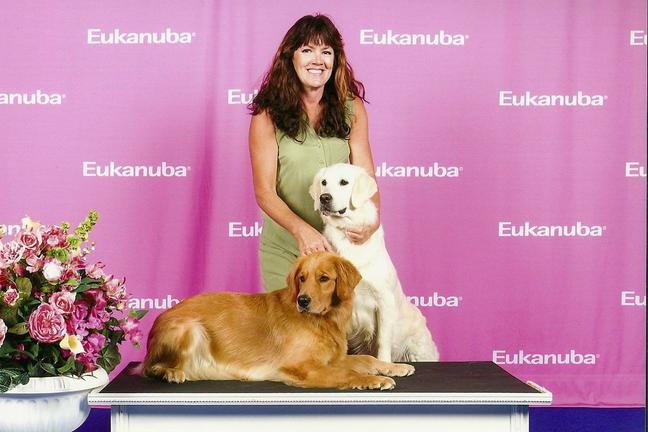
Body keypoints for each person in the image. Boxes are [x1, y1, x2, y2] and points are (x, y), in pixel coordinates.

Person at [249, 14, 380, 291]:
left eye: (326, 52)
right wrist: (301, 231)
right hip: (286, 249)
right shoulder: (267, 115)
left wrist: (372, 221)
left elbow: (366, 174)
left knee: (343, 321)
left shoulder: (352, 106)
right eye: (307, 50)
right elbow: (265, 192)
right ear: (291, 57)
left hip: (340, 250)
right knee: (290, 320)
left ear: (336, 59)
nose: (318, 60)